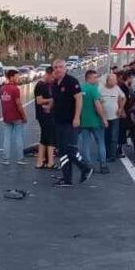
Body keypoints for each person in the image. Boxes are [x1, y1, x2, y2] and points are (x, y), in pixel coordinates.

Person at [51, 59, 93, 187]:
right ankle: (67, 178)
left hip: (70, 121)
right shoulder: (55, 83)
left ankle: (85, 168)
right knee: (62, 151)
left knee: (70, 149)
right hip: (58, 121)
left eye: (61, 67)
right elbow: (56, 99)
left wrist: (76, 118)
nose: (58, 69)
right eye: (56, 67)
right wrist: (49, 107)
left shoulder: (71, 81)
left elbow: (79, 99)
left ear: (65, 68)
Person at [78, 70, 109, 173]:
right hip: (95, 120)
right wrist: (104, 118)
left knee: (85, 143)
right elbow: (98, 105)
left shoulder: (80, 89)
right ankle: (103, 165)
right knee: (100, 142)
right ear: (89, 78)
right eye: (95, 77)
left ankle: (87, 165)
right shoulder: (93, 89)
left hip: (83, 120)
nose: (96, 80)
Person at [0, 68, 27, 165]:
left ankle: (5, 159)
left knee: (7, 138)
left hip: (6, 117)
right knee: (18, 137)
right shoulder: (15, 89)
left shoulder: (2, 89)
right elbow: (18, 104)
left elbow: (2, 102)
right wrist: (24, 116)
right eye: (17, 77)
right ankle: (20, 159)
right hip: (16, 117)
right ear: (11, 77)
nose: (18, 78)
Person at [99, 72, 126, 164]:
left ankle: (113, 156)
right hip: (104, 117)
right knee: (106, 137)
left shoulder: (117, 88)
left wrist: (121, 109)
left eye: (115, 80)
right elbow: (97, 101)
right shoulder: (101, 89)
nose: (114, 82)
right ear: (107, 81)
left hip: (115, 117)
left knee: (114, 137)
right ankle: (106, 154)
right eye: (112, 80)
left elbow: (124, 98)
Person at [34, 66, 56, 168]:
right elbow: (39, 100)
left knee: (44, 138)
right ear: (48, 74)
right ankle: (50, 162)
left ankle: (40, 161)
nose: (53, 79)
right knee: (50, 137)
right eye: (52, 77)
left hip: (50, 114)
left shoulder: (49, 84)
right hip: (43, 115)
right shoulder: (40, 85)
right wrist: (51, 100)